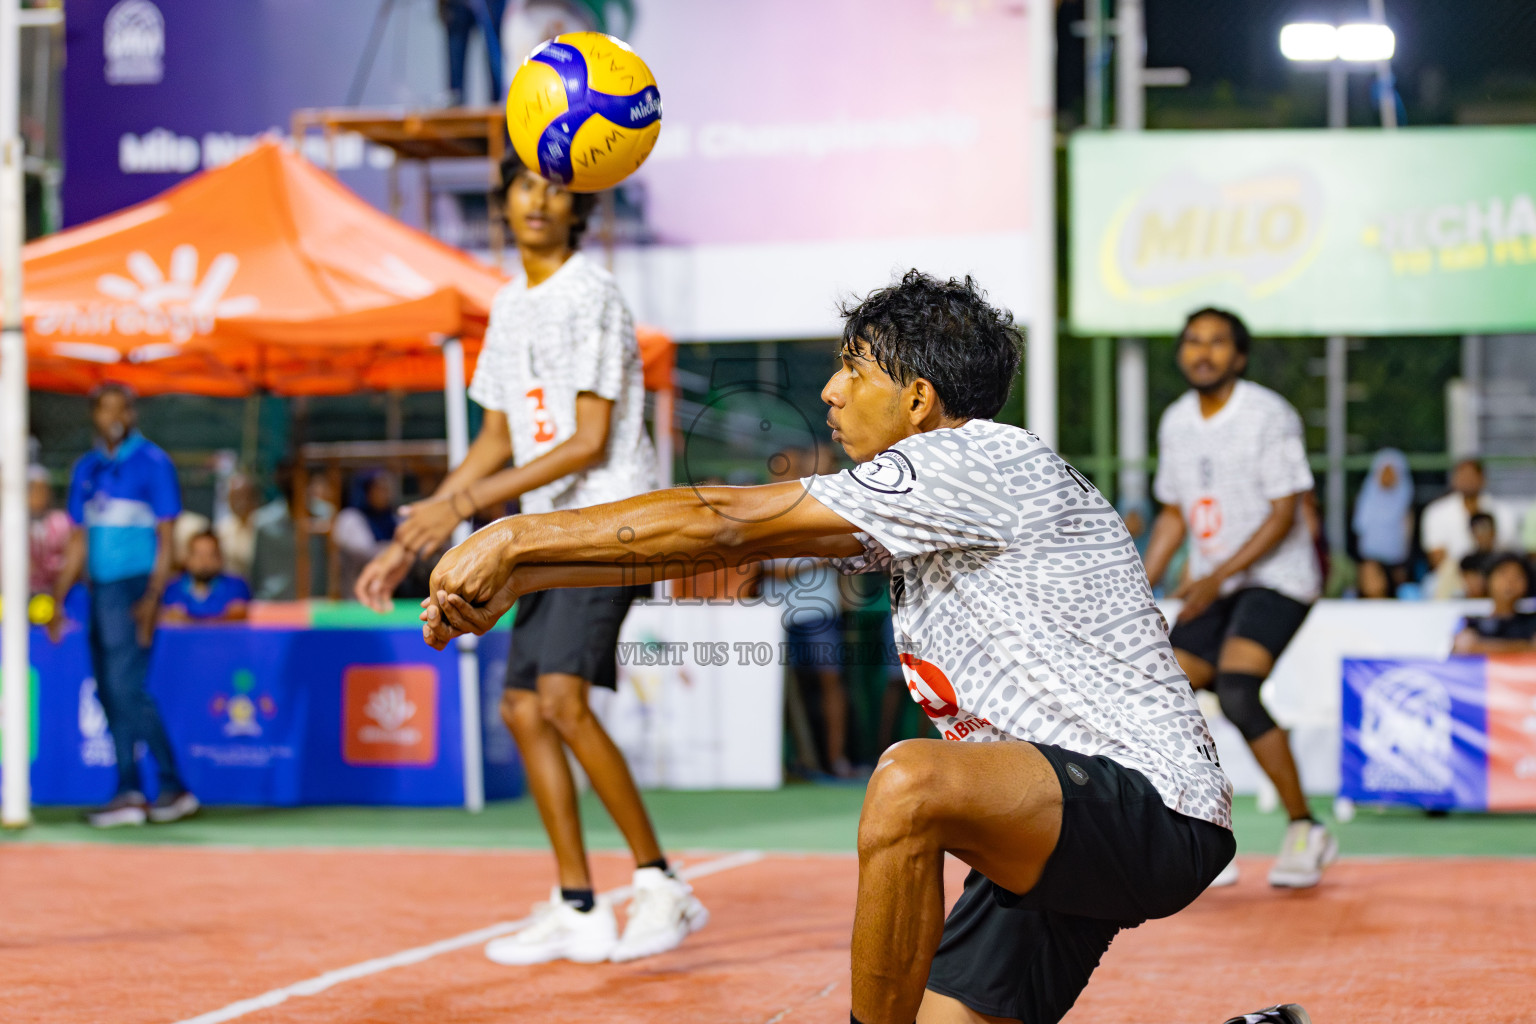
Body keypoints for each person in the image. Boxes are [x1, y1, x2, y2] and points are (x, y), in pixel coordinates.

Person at [420, 271, 1304, 1024]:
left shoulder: (973, 462)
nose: (832, 392)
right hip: (1045, 819)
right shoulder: (930, 503)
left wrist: (516, 539)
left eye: (854, 368)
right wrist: (529, 580)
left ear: (919, 399)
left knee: (909, 784)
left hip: (1143, 802)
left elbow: (723, 524)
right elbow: (708, 544)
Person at [355, 150, 703, 966]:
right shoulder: (510, 304)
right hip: (545, 536)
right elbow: (497, 437)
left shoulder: (591, 293)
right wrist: (418, 528)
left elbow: (586, 440)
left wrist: (465, 506)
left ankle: (662, 884)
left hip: (611, 525)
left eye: (555, 188)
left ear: (577, 210)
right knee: (521, 708)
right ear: (505, 202)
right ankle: (578, 904)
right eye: (524, 185)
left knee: (560, 696)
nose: (539, 199)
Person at [1142, 308, 1336, 890]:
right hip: (1216, 582)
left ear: (1240, 356)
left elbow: (1283, 516)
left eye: (1218, 342)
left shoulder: (1267, 415)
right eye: (1194, 341)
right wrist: (1140, 582)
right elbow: (1175, 511)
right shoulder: (1176, 422)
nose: (1204, 352)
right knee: (1167, 688)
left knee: (1238, 687)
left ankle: (1306, 827)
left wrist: (1214, 576)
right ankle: (1208, 835)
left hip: (1279, 576)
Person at [47, 384, 199, 828]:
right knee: (110, 691)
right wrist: (58, 598)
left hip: (133, 591)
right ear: (94, 415)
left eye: (121, 408)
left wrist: (153, 597)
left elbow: (168, 539)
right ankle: (129, 791)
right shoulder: (87, 468)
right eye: (104, 408)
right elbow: (78, 541)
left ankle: (172, 787)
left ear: (131, 414)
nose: (113, 416)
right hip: (97, 593)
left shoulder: (152, 463)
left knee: (127, 690)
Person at [762, 444, 853, 777]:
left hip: (820, 611)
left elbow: (837, 552)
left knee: (831, 682)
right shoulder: (760, 507)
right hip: (773, 614)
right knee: (784, 691)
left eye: (791, 466)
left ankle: (836, 759)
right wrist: (815, 561)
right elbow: (765, 568)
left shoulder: (817, 503)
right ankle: (790, 761)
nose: (784, 473)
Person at [1421, 458, 1518, 599]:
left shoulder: (1503, 512)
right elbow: (1438, 560)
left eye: (1472, 476)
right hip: (1454, 577)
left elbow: (1509, 555)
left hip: (1495, 577)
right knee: (1432, 585)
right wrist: (1469, 579)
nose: (1467, 480)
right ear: (1454, 479)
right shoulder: (1437, 511)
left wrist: (1487, 579)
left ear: (1483, 479)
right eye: (1463, 476)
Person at [1351, 448, 1413, 596]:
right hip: (1369, 565)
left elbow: (1409, 539)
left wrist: (1403, 566)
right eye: (1384, 471)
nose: (1387, 477)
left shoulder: (1406, 503)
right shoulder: (1365, 501)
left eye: (1392, 472)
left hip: (1396, 568)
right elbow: (1357, 534)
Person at [334, 470, 399, 600]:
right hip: (356, 598)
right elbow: (365, 552)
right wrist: (399, 549)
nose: (385, 494)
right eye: (379, 489)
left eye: (386, 489)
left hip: (394, 596)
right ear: (365, 491)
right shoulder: (349, 518)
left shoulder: (392, 518)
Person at [1453, 554, 1536, 654]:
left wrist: (1480, 646)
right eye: (1503, 574)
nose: (1510, 581)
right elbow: (1460, 648)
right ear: (1488, 579)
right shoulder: (1471, 622)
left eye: (1517, 576)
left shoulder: (1531, 623)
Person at [161, 532, 252, 623]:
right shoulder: (171, 589)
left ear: (220, 558)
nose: (204, 561)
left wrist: (188, 621)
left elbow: (239, 617)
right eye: (198, 555)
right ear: (187, 558)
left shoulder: (237, 587)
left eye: (211, 555)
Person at [439, 0, 508, 105]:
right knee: (455, 87)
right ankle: (455, 113)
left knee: (496, 64)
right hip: (455, 4)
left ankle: (500, 114)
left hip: (491, 4)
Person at [27, 464, 72, 596]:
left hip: (53, 593)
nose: (40, 495)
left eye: (44, 489)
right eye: (34, 489)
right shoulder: (10, 524)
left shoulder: (60, 521)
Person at [214, 472, 260, 581]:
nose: (239, 502)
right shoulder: (221, 529)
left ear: (254, 498)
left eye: (243, 496)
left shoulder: (263, 526)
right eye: (233, 497)